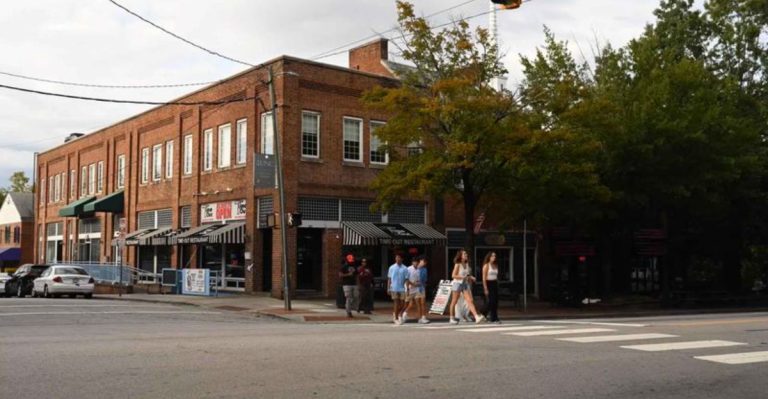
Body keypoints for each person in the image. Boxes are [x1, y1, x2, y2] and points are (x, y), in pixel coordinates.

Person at [448, 249, 486, 324]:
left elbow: (467, 274)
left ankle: (476, 317)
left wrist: (471, 277)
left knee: (469, 300)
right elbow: (453, 275)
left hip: (464, 284)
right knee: (454, 301)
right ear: (461, 256)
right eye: (464, 254)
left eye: (466, 254)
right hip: (457, 284)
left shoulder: (467, 264)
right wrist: (463, 277)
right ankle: (451, 318)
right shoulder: (458, 264)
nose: (466, 255)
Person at [387, 254, 408, 325]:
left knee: (403, 304)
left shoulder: (405, 268)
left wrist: (407, 288)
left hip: (402, 288)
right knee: (396, 303)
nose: (397, 259)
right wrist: (388, 288)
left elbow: (406, 279)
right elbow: (389, 278)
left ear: (402, 259)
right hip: (394, 288)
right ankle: (396, 318)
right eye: (396, 258)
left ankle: (396, 313)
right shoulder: (392, 267)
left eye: (399, 258)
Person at [482, 252, 501, 323]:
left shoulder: (496, 265)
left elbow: (497, 276)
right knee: (491, 301)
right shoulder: (486, 266)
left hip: (495, 283)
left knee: (496, 301)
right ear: (489, 257)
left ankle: (494, 317)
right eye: (492, 256)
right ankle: (483, 312)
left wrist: (497, 283)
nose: (494, 257)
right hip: (488, 283)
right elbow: (483, 278)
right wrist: (485, 288)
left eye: (495, 256)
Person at [339, 254, 358, 318]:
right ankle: (348, 311)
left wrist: (358, 283)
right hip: (346, 284)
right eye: (350, 260)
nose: (351, 261)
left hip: (354, 284)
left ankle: (350, 306)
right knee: (348, 297)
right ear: (347, 260)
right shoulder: (344, 267)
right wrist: (348, 274)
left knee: (356, 296)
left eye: (352, 260)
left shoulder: (355, 266)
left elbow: (357, 275)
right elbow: (340, 275)